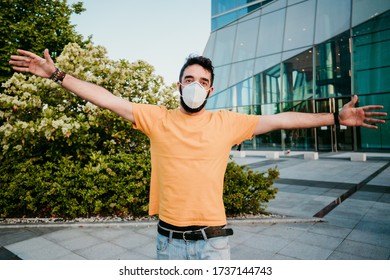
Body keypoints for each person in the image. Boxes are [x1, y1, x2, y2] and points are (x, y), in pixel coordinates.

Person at [9, 49, 387, 260]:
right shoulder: (155, 118)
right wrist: (58, 75)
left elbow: (280, 119)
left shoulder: (227, 122)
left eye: (203, 82)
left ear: (211, 90)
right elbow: (106, 98)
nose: (195, 86)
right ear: (179, 84)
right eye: (189, 79)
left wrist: (335, 115)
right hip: (166, 242)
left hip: (213, 244)